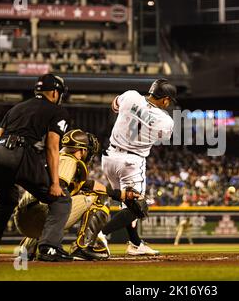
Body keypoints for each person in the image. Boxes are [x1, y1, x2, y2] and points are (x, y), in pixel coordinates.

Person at [0, 74, 72, 262]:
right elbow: (52, 147)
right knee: (61, 200)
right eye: (60, 93)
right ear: (54, 92)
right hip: (20, 153)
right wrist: (55, 183)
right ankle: (49, 247)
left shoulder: (15, 109)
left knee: (5, 198)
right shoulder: (57, 111)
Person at [13, 129, 139, 261]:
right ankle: (83, 247)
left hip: (23, 218)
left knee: (63, 205)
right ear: (83, 150)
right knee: (94, 198)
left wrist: (120, 194)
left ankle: (28, 247)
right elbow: (59, 186)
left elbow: (87, 184)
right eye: (88, 150)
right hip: (41, 214)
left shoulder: (53, 158)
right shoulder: (69, 160)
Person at [99, 78, 176, 256]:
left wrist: (134, 112)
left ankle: (135, 243)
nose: (168, 104)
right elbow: (161, 139)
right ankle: (99, 234)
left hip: (109, 157)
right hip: (131, 162)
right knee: (137, 206)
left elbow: (114, 106)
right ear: (165, 99)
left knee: (127, 203)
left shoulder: (131, 95)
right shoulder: (166, 121)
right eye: (169, 100)